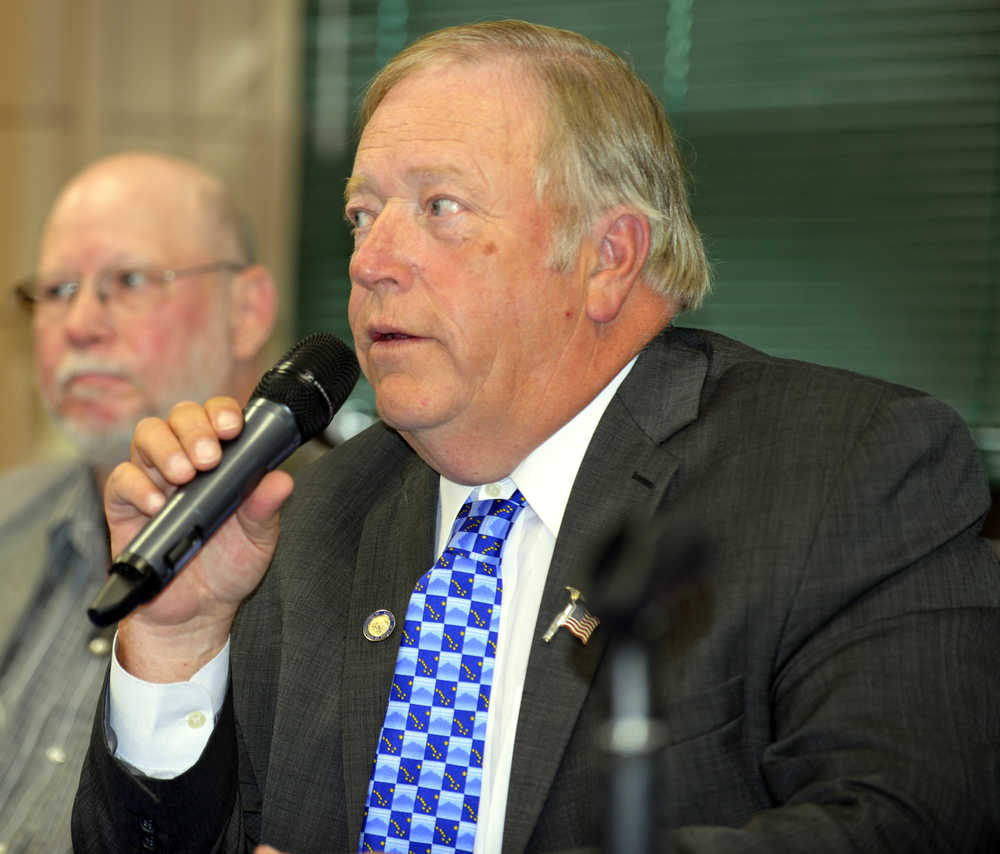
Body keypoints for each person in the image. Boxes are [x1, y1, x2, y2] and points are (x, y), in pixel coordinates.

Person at [74, 21, 1000, 854]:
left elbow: (906, 824)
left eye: (439, 206)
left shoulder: (851, 470)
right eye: (362, 215)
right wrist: (177, 645)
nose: (371, 261)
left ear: (608, 258)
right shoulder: (311, 519)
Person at [0, 151, 278, 852]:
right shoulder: (8, 515)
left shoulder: (344, 547)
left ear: (247, 311)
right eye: (58, 289)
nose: (80, 324)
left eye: (128, 281)